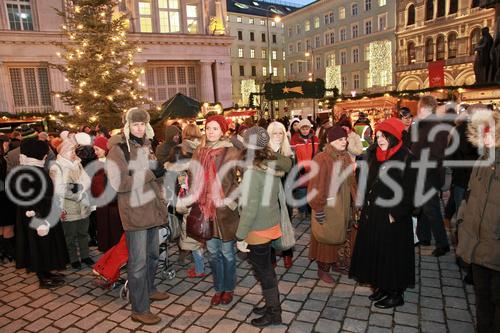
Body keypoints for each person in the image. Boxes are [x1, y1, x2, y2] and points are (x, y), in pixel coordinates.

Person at [106, 107, 170, 325]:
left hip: (152, 209)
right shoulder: (118, 150)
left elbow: (152, 177)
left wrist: (161, 181)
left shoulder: (147, 145)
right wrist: (152, 174)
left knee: (153, 255)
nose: (140, 128)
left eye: (143, 124)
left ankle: (149, 288)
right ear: (127, 126)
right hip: (134, 212)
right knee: (138, 262)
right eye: (135, 124)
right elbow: (120, 183)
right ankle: (139, 308)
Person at [349, 117, 416, 308]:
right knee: (377, 252)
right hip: (374, 213)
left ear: (394, 137)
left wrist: (394, 214)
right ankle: (382, 286)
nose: (380, 139)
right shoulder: (376, 155)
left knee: (392, 256)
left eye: (384, 136)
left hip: (393, 217)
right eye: (378, 135)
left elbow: (412, 192)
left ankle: (395, 292)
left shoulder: (406, 157)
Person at [236, 126, 291, 327]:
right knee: (265, 268)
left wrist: (240, 236)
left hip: (257, 228)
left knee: (264, 272)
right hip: (270, 222)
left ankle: (274, 313)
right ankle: (270, 305)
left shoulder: (252, 169)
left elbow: (250, 209)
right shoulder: (271, 161)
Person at [456, 108, 500, 333]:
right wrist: (461, 224)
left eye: (489, 132)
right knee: (482, 304)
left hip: (495, 248)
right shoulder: (481, 162)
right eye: (481, 133)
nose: (485, 137)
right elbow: (470, 198)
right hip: (478, 247)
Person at [190, 115, 241, 306]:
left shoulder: (232, 152)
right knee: (213, 254)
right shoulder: (199, 152)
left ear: (223, 131)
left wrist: (231, 200)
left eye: (215, 128)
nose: (210, 132)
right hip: (206, 210)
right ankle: (218, 288)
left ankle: (228, 289)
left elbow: (241, 180)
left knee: (227, 253)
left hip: (225, 211)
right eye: (208, 128)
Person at [11, 138, 69, 288]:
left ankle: (46, 271)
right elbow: (27, 199)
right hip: (37, 216)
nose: (45, 156)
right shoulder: (27, 172)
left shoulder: (33, 168)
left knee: (46, 245)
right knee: (38, 246)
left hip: (45, 213)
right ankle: (42, 277)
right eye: (44, 154)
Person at [308, 126, 356, 283]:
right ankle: (322, 269)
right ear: (331, 141)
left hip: (345, 203)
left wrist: (356, 199)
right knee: (326, 237)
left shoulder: (346, 157)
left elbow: (351, 182)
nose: (344, 142)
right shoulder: (322, 158)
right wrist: (318, 208)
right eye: (340, 139)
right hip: (329, 207)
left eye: (345, 139)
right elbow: (316, 186)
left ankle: (337, 262)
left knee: (343, 234)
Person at [164, 124, 206, 277]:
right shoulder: (200, 153)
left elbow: (182, 187)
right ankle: (200, 263)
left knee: (191, 235)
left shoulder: (180, 161)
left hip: (188, 203)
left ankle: (199, 268)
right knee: (199, 233)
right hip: (202, 198)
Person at [411, 96, 450, 256]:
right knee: (424, 208)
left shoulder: (437, 128)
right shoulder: (423, 126)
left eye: (420, 109)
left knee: (431, 209)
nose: (418, 112)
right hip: (422, 173)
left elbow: (436, 155)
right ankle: (424, 237)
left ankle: (443, 244)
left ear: (427, 109)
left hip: (429, 175)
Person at [50, 139, 94, 269]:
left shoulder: (78, 163)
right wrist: (78, 194)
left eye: (74, 150)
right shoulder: (56, 167)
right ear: (63, 151)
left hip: (83, 204)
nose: (73, 153)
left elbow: (87, 180)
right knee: (69, 235)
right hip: (67, 206)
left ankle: (85, 255)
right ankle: (73, 258)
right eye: (70, 150)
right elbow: (59, 189)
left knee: (83, 233)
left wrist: (80, 188)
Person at [267, 121, 294, 268]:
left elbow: (292, 174)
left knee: (285, 223)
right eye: (274, 133)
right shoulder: (264, 152)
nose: (278, 136)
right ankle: (271, 257)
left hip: (285, 194)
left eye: (280, 133)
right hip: (269, 195)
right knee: (270, 224)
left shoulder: (288, 152)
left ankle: (287, 253)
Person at [91, 136, 123, 252]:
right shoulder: (96, 163)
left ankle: (116, 249)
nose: (95, 152)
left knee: (115, 227)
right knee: (103, 225)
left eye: (97, 149)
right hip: (102, 202)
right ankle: (106, 248)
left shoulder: (113, 162)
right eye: (94, 149)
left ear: (105, 148)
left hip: (113, 202)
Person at [290, 118, 319, 220]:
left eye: (307, 128)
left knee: (312, 191)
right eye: (303, 128)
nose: (305, 130)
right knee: (301, 191)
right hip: (301, 170)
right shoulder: (294, 139)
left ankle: (311, 211)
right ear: (300, 129)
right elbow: (293, 155)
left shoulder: (315, 139)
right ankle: (302, 211)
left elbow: (318, 154)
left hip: (312, 169)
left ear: (310, 128)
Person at [0, 134, 15, 262]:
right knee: (8, 223)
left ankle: (2, 250)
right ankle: (8, 251)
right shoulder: (3, 160)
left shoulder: (4, 159)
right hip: (4, 195)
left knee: (2, 224)